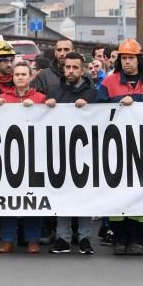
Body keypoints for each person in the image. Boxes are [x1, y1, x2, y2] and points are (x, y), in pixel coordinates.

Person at [97, 38, 143, 256]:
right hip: (115, 149)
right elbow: (97, 113)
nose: (127, 62)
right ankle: (120, 238)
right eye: (124, 58)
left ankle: (138, 239)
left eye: (131, 58)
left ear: (139, 59)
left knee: (140, 193)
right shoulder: (109, 82)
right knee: (117, 193)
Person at [0, 62, 55, 254]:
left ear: (30, 77)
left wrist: (45, 107)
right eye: (17, 74)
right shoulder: (3, 98)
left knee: (32, 199)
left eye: (23, 74)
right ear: (13, 78)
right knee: (8, 199)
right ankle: (8, 239)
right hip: (9, 157)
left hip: (34, 156)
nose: (20, 77)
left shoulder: (40, 98)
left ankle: (32, 239)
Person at [47, 52, 97, 255]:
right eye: (67, 67)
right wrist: (47, 106)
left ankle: (85, 238)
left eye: (75, 67)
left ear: (82, 70)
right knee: (63, 194)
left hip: (85, 153)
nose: (70, 71)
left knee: (84, 195)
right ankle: (63, 238)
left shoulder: (93, 93)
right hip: (61, 151)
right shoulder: (55, 92)